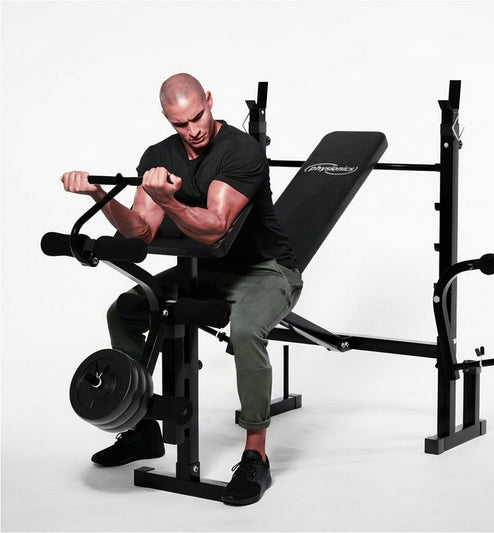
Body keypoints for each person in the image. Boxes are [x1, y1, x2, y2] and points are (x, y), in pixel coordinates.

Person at [61, 73, 303, 506]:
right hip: (201, 272)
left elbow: (215, 228)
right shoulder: (158, 156)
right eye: (180, 123)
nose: (193, 130)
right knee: (126, 312)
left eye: (198, 116)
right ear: (166, 118)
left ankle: (256, 454)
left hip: (265, 270)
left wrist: (169, 200)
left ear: (209, 100)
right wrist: (99, 196)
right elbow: (141, 232)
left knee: (246, 329)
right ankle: (142, 429)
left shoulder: (241, 151)